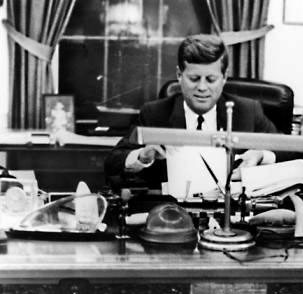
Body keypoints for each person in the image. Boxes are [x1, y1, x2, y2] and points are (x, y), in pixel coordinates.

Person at [104, 34, 279, 190]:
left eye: (211, 79)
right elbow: (113, 162)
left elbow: (291, 150)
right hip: (174, 214)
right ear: (179, 75)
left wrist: (261, 155)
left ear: (224, 77)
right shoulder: (155, 113)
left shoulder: (247, 111)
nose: (202, 88)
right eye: (194, 79)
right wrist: (142, 157)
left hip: (230, 212)